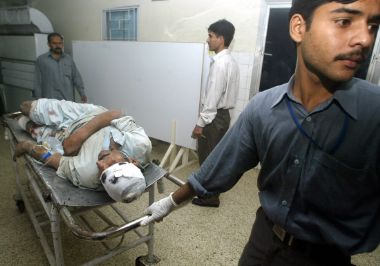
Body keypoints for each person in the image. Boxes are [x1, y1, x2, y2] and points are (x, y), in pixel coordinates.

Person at [141, 0, 380, 265]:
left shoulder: (374, 114)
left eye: (373, 25)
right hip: (263, 243)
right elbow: (216, 169)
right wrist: (169, 203)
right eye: (345, 21)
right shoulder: (264, 108)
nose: (365, 38)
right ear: (299, 27)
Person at [14, 98, 152, 202]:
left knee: (23, 123)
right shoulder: (140, 144)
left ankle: (30, 125)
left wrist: (27, 147)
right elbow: (116, 113)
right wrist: (79, 136)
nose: (100, 165)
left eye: (103, 176)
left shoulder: (86, 175)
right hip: (90, 115)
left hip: (62, 138)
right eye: (111, 165)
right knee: (26, 108)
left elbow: (53, 159)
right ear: (133, 161)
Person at [191, 19, 240, 208]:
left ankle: (210, 197)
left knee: (208, 159)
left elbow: (212, 99)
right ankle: (210, 193)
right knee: (215, 157)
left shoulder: (220, 64)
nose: (207, 40)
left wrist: (200, 123)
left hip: (213, 118)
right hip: (222, 116)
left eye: (210, 36)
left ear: (221, 38)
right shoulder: (231, 62)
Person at [33, 32, 87, 102]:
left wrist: (82, 93)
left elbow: (76, 77)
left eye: (60, 43)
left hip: (68, 101)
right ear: (49, 44)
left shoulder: (68, 59)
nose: (58, 46)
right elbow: (37, 83)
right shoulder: (41, 60)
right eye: (54, 43)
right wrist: (39, 101)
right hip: (50, 102)